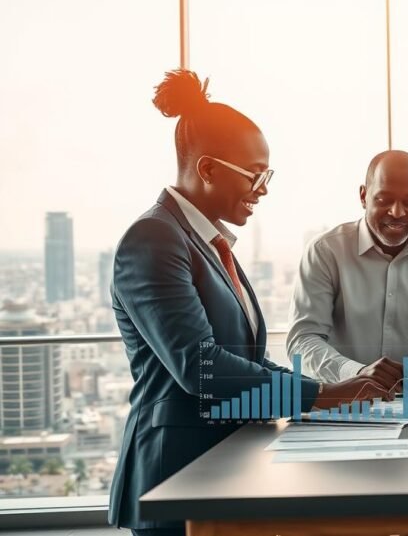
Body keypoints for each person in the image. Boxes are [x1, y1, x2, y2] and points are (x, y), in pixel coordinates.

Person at [109, 70, 392, 536]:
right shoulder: (154, 240)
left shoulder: (208, 243)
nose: (264, 187)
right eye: (256, 174)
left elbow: (248, 360)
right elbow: (201, 367)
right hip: (176, 477)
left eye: (268, 174)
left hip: (221, 468)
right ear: (207, 169)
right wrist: (321, 395)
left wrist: (329, 392)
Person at [287, 150, 408, 392]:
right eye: (384, 200)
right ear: (364, 196)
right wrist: (358, 374)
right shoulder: (326, 251)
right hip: (342, 402)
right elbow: (303, 339)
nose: (397, 212)